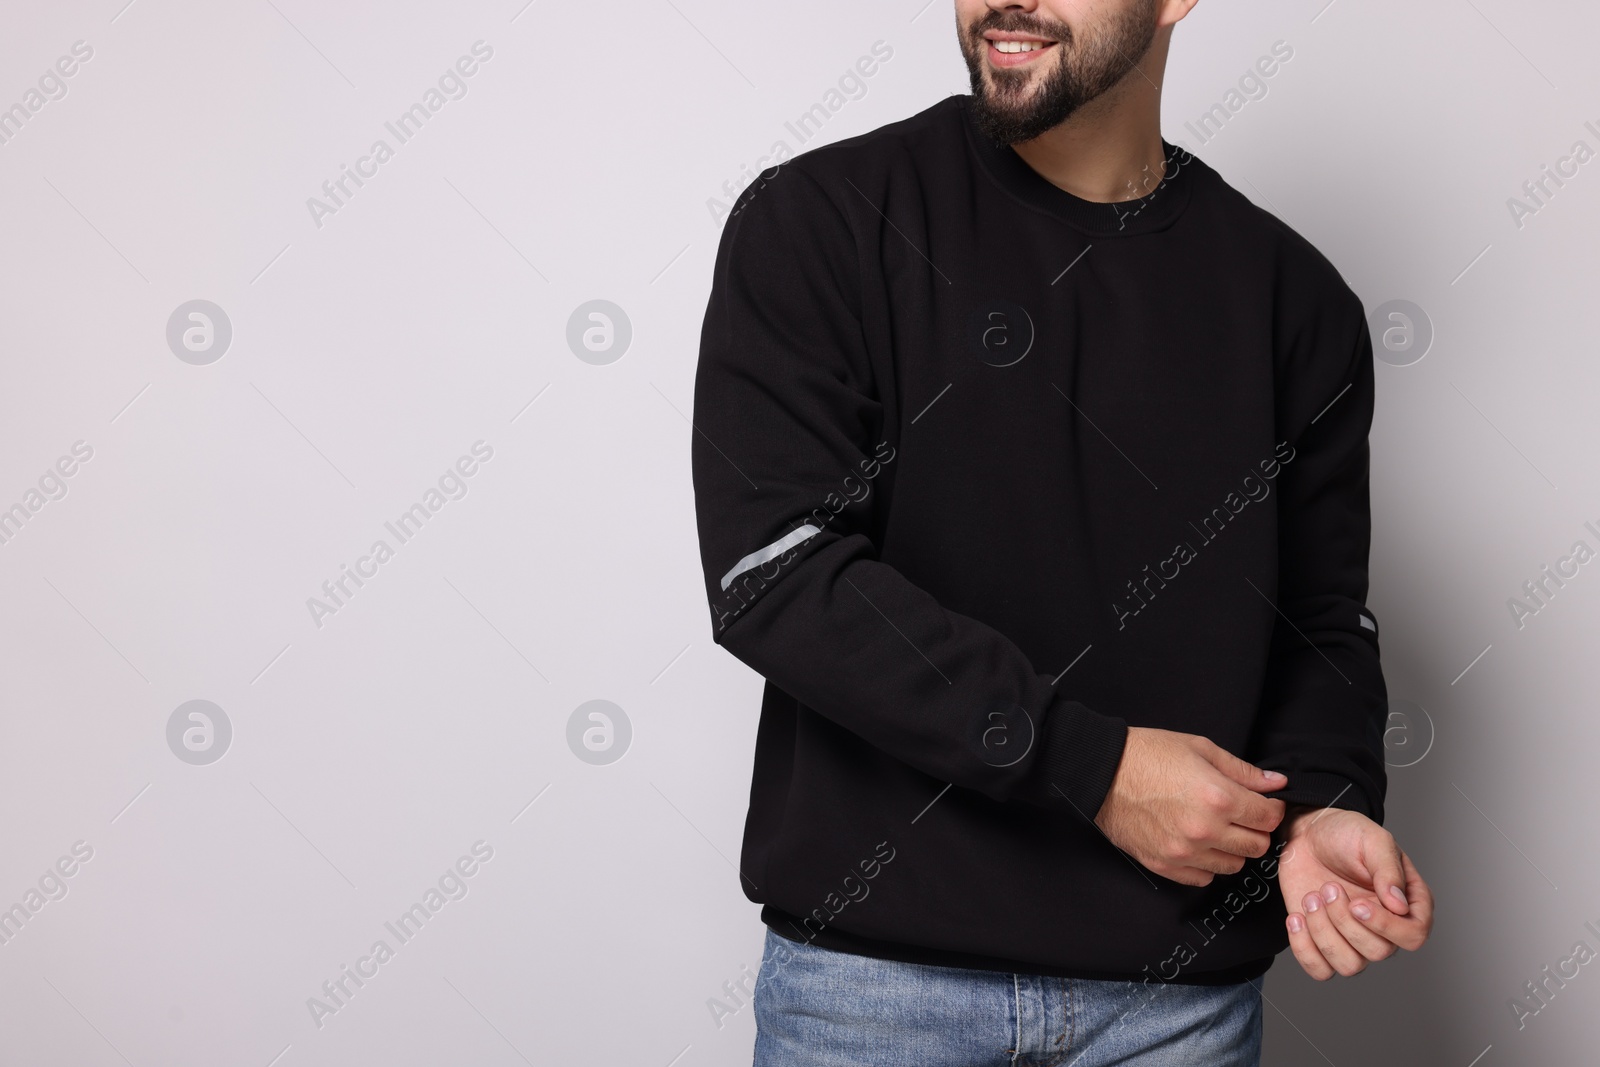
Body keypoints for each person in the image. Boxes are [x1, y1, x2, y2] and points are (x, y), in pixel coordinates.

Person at [689, 1, 1435, 1062]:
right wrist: (1091, 767)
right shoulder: (823, 217)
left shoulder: (1294, 300)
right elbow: (776, 571)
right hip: (873, 993)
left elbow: (1316, 617)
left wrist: (1322, 800)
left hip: (1176, 1005)